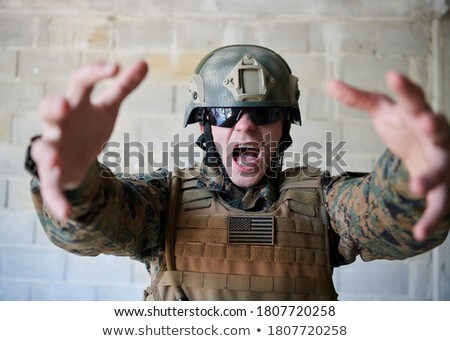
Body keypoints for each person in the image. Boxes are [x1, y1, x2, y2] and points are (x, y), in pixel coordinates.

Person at [26, 45, 450, 300]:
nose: (245, 127)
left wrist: (407, 178)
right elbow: (94, 227)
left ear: (284, 125)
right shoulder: (162, 201)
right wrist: (73, 178)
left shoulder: (323, 199)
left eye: (263, 113)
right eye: (228, 114)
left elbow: (379, 217)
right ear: (205, 125)